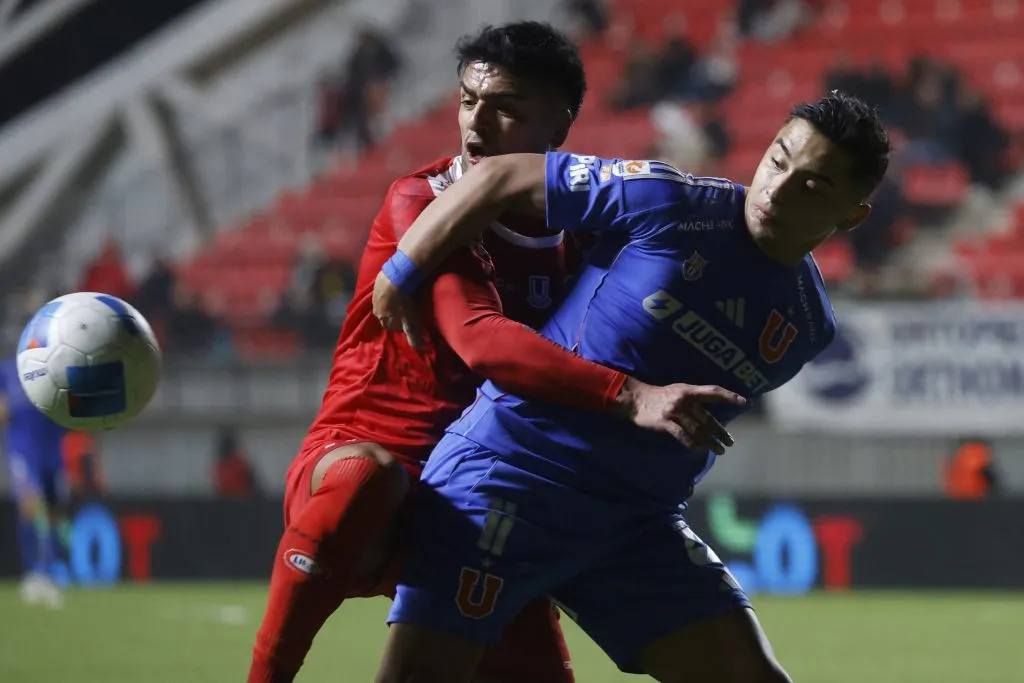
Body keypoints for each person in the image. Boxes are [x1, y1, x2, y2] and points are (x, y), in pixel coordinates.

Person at [247, 21, 733, 683]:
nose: (476, 122)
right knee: (365, 481)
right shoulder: (423, 200)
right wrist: (631, 396)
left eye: (505, 108)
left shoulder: (584, 234)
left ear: (558, 128)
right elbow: (478, 339)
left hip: (476, 500)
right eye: (468, 99)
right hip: (360, 467)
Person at [371, 91, 891, 683]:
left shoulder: (807, 326)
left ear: (851, 214)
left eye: (814, 186)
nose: (778, 187)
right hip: (510, 473)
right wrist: (402, 269)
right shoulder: (668, 200)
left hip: (633, 526)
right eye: (778, 160)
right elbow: (496, 177)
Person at [1, 352, 69, 609]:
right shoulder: (7, 372)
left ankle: (51, 572)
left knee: (54, 510)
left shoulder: (56, 368)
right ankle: (31, 574)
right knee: (28, 506)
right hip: (23, 448)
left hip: (52, 447)